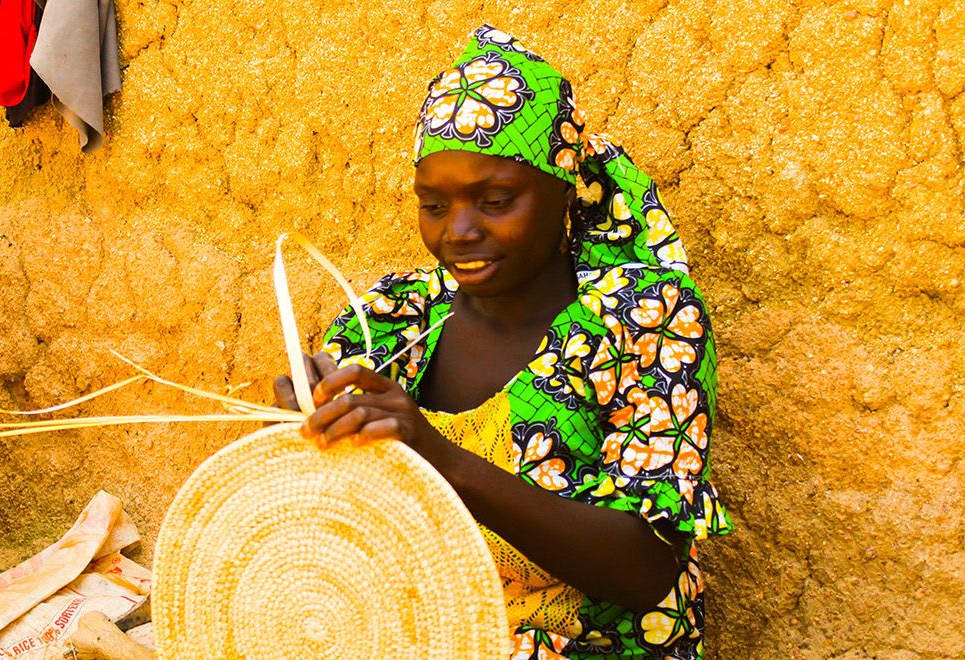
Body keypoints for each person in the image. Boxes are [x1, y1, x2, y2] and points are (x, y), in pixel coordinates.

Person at [273, 26, 731, 658]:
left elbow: (644, 573)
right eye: (433, 205)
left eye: (494, 200)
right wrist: (306, 427)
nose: (458, 231)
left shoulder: (645, 320)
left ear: (564, 191)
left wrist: (443, 458)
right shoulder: (393, 317)